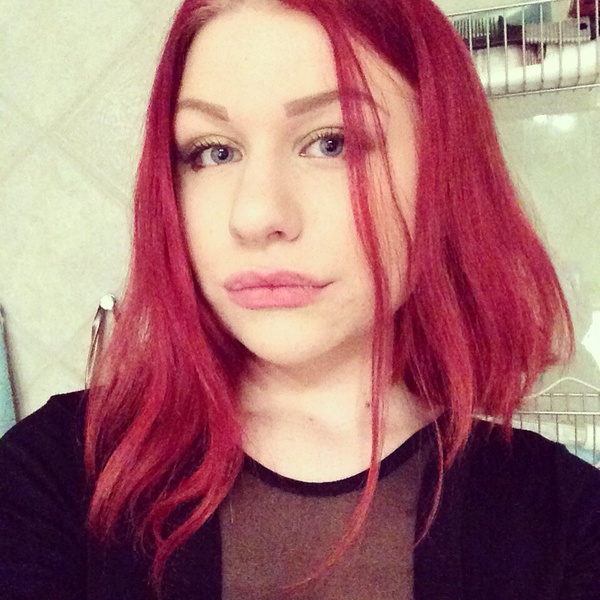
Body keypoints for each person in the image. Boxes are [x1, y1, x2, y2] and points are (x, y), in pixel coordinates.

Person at [1, 0, 599, 598]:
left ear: (444, 167)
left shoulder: (569, 524)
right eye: (213, 151)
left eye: (331, 143)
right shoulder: (55, 476)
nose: (255, 215)